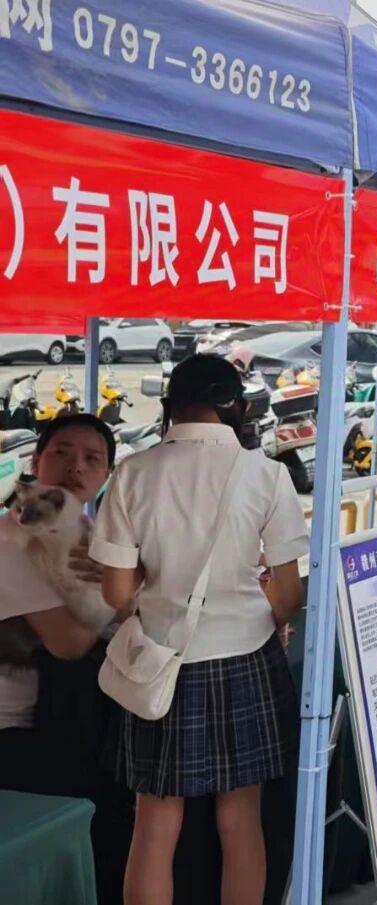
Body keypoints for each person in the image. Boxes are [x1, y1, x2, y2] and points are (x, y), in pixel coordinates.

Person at [92, 354, 308, 905]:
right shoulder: (267, 475)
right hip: (247, 658)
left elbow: (115, 593)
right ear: (239, 407)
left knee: (154, 824)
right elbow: (288, 595)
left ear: (169, 405)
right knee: (241, 819)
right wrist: (270, 615)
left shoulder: (133, 473)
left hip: (160, 662)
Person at [0, 414, 134, 905]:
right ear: (37, 461)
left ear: (106, 474)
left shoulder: (91, 535)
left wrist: (122, 591)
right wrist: (122, 594)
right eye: (61, 452)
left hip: (73, 721)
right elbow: (70, 643)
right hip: (19, 734)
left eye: (91, 458)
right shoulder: (10, 542)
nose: (76, 466)